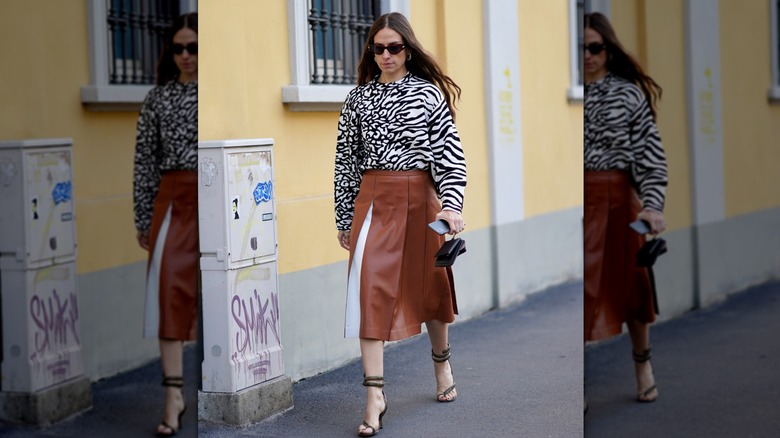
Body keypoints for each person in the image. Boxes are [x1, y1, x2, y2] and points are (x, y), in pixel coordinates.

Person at [334, 12, 466, 437]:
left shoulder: (428, 95)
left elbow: (450, 155)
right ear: (370, 51)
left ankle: (441, 363)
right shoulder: (357, 100)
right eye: (378, 48)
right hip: (373, 202)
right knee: (368, 288)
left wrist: (452, 206)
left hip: (422, 203)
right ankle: (374, 395)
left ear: (407, 49)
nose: (386, 55)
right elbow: (345, 163)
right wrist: (343, 218)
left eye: (394, 47)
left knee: (432, 287)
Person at [583, 12, 668, 404]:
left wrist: (651, 206)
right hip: (579, 204)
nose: (587, 55)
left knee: (634, 288)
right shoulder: (560, 93)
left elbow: (650, 157)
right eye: (580, 47)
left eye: (595, 47)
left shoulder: (627, 94)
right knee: (582, 293)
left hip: (618, 200)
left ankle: (643, 364)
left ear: (608, 49)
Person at [133, 12, 198, 437]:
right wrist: (143, 217)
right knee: (169, 292)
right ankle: (173, 395)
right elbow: (144, 162)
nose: (186, 56)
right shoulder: (158, 99)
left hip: (212, 197)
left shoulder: (219, 93)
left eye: (194, 47)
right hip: (172, 202)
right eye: (178, 48)